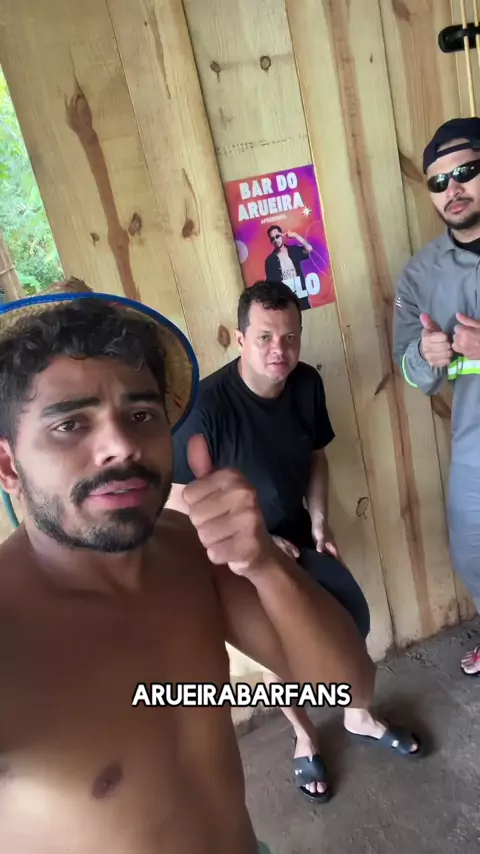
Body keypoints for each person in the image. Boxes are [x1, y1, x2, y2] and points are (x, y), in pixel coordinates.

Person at [0, 281, 384, 853]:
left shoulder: (187, 551)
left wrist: (263, 563)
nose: (121, 446)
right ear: (8, 466)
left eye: (141, 414)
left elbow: (349, 689)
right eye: (70, 425)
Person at [168, 280, 422, 805]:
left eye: (289, 337)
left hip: (301, 536)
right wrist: (258, 542)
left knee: (347, 623)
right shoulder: (206, 408)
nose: (278, 350)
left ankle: (358, 716)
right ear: (241, 338)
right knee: (283, 656)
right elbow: (176, 500)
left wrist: (321, 521)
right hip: (241, 560)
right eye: (264, 337)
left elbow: (316, 457)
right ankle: (304, 737)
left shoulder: (306, 384)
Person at [393, 116, 480, 677]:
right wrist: (425, 356)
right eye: (439, 181)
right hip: (475, 446)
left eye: (466, 172)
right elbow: (407, 367)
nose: (453, 189)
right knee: (473, 550)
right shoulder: (420, 275)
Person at [264, 225, 312, 309]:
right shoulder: (270, 261)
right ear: (271, 241)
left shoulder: (293, 250)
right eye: (272, 239)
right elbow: (271, 284)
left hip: (300, 295)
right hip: (285, 300)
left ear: (282, 235)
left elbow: (309, 248)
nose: (276, 240)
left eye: (277, 236)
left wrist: (295, 235)